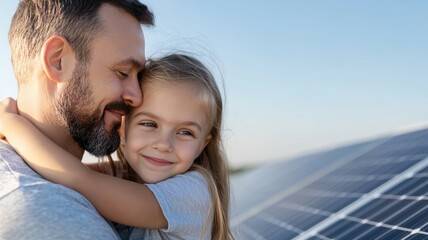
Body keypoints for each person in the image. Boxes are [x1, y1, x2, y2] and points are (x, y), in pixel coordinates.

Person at [0, 54, 235, 239]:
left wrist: (11, 125)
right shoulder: (130, 175)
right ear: (123, 129)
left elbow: (77, 178)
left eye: (186, 132)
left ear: (204, 143)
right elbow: (66, 169)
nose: (164, 144)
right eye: (149, 124)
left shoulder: (193, 192)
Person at [0, 1, 154, 239]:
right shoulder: (48, 215)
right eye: (123, 73)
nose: (137, 96)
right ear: (57, 60)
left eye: (138, 77)